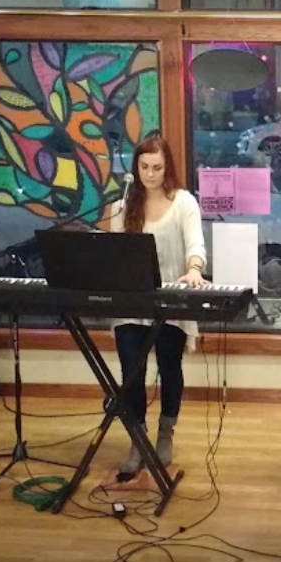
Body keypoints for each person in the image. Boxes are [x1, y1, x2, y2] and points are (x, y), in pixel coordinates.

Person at [109, 135, 208, 475]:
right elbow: (115, 256)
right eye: (144, 167)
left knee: (169, 368)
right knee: (131, 372)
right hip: (130, 302)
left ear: (168, 168)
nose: (150, 174)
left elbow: (196, 244)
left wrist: (194, 269)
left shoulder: (184, 203)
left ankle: (166, 433)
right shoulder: (122, 207)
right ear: (135, 167)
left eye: (157, 168)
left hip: (171, 300)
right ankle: (137, 439)